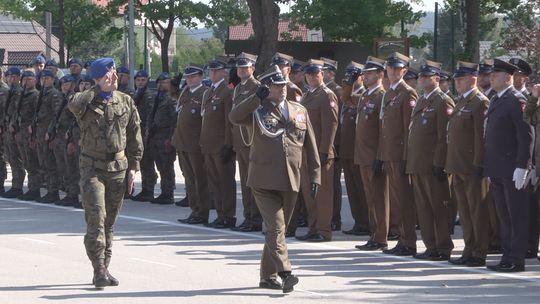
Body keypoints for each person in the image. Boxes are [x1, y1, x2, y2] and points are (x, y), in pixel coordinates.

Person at [229, 65, 320, 293]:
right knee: (276, 228)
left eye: (284, 85)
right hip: (263, 180)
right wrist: (254, 98)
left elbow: (311, 145)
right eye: (277, 86)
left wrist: (316, 175)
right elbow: (234, 117)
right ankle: (285, 272)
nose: (282, 89)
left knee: (276, 231)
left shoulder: (299, 110)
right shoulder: (257, 111)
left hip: (291, 179)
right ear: (266, 88)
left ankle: (267, 276)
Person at [68, 57, 143, 288]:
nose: (114, 77)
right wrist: (98, 88)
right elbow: (73, 103)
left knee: (109, 222)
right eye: (109, 73)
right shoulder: (87, 101)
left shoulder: (126, 101)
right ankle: (98, 268)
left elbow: (134, 134)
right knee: (96, 219)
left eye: (114, 72)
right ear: (100, 77)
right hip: (92, 168)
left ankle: (104, 266)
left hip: (118, 168)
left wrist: (134, 167)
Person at [484, 59, 534, 272]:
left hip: (513, 168)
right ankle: (507, 255)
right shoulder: (496, 99)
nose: (491, 78)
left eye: (495, 75)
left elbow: (526, 135)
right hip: (497, 167)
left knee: (516, 216)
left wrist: (523, 165)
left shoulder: (516, 100)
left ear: (507, 77)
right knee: (504, 216)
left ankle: (516, 258)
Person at [407, 60, 455, 261]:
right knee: (424, 209)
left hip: (433, 165)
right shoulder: (421, 100)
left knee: (438, 208)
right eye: (421, 77)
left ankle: (443, 247)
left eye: (427, 77)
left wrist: (439, 162)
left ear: (437, 79)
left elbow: (444, 136)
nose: (422, 80)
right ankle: (430, 245)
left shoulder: (442, 101)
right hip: (418, 163)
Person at [446, 61, 490, 267]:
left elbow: (480, 137)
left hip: (472, 166)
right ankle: (468, 247)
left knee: (476, 210)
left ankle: (479, 251)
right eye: (456, 79)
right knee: (464, 211)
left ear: (473, 79)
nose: (457, 83)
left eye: (461, 79)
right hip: (457, 164)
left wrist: (479, 163)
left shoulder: (479, 102)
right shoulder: (461, 101)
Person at [379, 52, 418, 256]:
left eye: (397, 69)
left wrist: (405, 157)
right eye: (390, 68)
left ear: (404, 71)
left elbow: (407, 129)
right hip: (390, 154)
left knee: (404, 199)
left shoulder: (407, 93)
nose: (393, 72)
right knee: (396, 200)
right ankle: (402, 239)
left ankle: (408, 241)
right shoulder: (389, 93)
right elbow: (386, 128)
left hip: (400, 156)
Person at [296, 59, 339, 242]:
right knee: (309, 193)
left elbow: (331, 125)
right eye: (309, 74)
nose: (312, 77)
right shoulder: (306, 96)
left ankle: (324, 230)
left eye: (316, 73)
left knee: (322, 194)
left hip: (320, 153)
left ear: (322, 74)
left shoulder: (327, 95)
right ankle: (313, 227)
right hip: (306, 152)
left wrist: (324, 151)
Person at [354, 56, 390, 251]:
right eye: (364, 73)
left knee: (379, 197)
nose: (365, 77)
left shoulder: (381, 96)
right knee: (370, 198)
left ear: (379, 74)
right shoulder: (365, 96)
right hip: (363, 155)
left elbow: (383, 130)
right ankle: (374, 234)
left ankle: (381, 236)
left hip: (374, 155)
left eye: (369, 73)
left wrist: (380, 156)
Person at [173, 65, 210, 224]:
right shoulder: (185, 93)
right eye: (188, 77)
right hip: (183, 143)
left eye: (193, 77)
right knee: (189, 179)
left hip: (196, 145)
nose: (190, 79)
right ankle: (194, 210)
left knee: (199, 179)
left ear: (201, 77)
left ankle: (202, 211)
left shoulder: (205, 93)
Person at [230, 53, 260, 232]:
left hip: (250, 139)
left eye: (245, 67)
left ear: (252, 69)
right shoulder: (238, 88)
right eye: (239, 67)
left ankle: (255, 218)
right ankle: (248, 215)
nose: (241, 70)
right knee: (244, 181)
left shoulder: (256, 87)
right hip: (240, 140)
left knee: (253, 181)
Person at [339, 61, 369, 236]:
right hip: (346, 151)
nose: (349, 79)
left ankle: (366, 222)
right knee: (352, 191)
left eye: (354, 76)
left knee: (362, 190)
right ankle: (359, 222)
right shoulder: (347, 97)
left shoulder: (363, 96)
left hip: (359, 152)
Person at [320, 57, 343, 231]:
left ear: (331, 73)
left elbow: (336, 121)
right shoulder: (320, 92)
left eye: (324, 71)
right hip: (326, 144)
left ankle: (334, 217)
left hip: (335, 144)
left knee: (332, 185)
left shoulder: (337, 91)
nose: (321, 74)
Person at [131, 70, 158, 202]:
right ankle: (145, 188)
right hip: (137, 133)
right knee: (142, 162)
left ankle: (149, 189)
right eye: (138, 80)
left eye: (143, 80)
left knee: (147, 162)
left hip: (145, 133)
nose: (140, 82)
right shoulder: (137, 94)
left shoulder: (148, 95)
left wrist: (147, 131)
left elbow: (150, 115)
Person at [1, 67, 25, 198]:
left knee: (17, 158)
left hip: (16, 129)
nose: (11, 79)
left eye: (14, 77)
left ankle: (18, 186)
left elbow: (18, 111)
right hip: (7, 129)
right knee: (11, 157)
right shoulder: (9, 91)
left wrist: (14, 126)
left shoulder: (19, 92)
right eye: (9, 77)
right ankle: (15, 185)